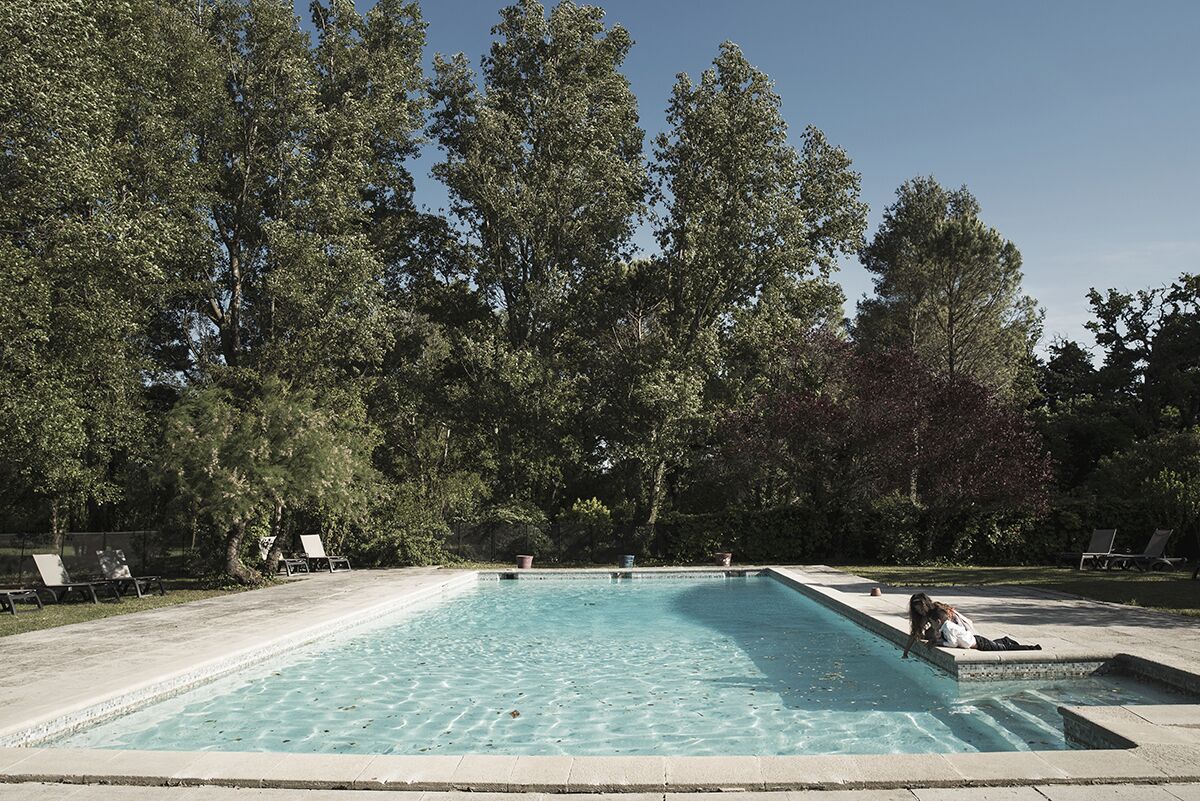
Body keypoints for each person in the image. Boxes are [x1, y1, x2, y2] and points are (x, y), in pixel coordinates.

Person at [929, 603, 1041, 652]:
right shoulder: (946, 626)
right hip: (978, 641)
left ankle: (1032, 648)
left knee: (1004, 649)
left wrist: (939, 643)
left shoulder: (947, 627)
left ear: (938, 621)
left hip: (980, 643)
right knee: (998, 646)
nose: (931, 626)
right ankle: (1004, 640)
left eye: (932, 623)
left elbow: (953, 643)